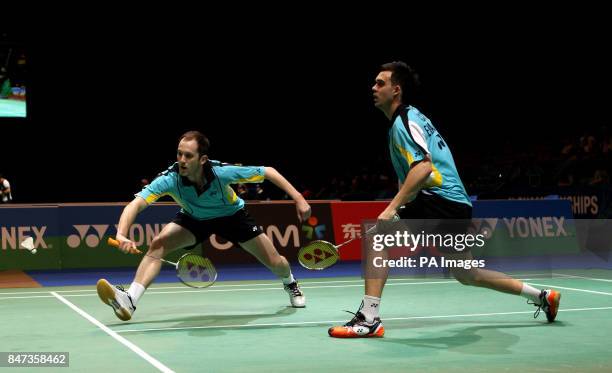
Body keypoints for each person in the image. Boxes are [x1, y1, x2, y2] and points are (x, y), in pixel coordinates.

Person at [328, 62, 561, 338]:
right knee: (467, 273)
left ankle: (369, 319)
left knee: (378, 239)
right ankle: (542, 296)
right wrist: (400, 203)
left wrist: (391, 208)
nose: (373, 87)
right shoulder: (412, 118)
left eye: (380, 83)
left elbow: (423, 168)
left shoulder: (403, 121)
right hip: (455, 203)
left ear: (396, 90)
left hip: (440, 199)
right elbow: (412, 175)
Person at [97, 131, 311, 321]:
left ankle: (290, 282)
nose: (181, 160)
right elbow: (136, 205)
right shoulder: (170, 178)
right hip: (194, 218)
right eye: (179, 153)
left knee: (276, 262)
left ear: (202, 159)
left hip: (232, 216)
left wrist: (299, 199)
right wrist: (122, 234)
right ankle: (130, 300)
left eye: (188, 155)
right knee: (158, 244)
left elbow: (268, 171)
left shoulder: (221, 173)